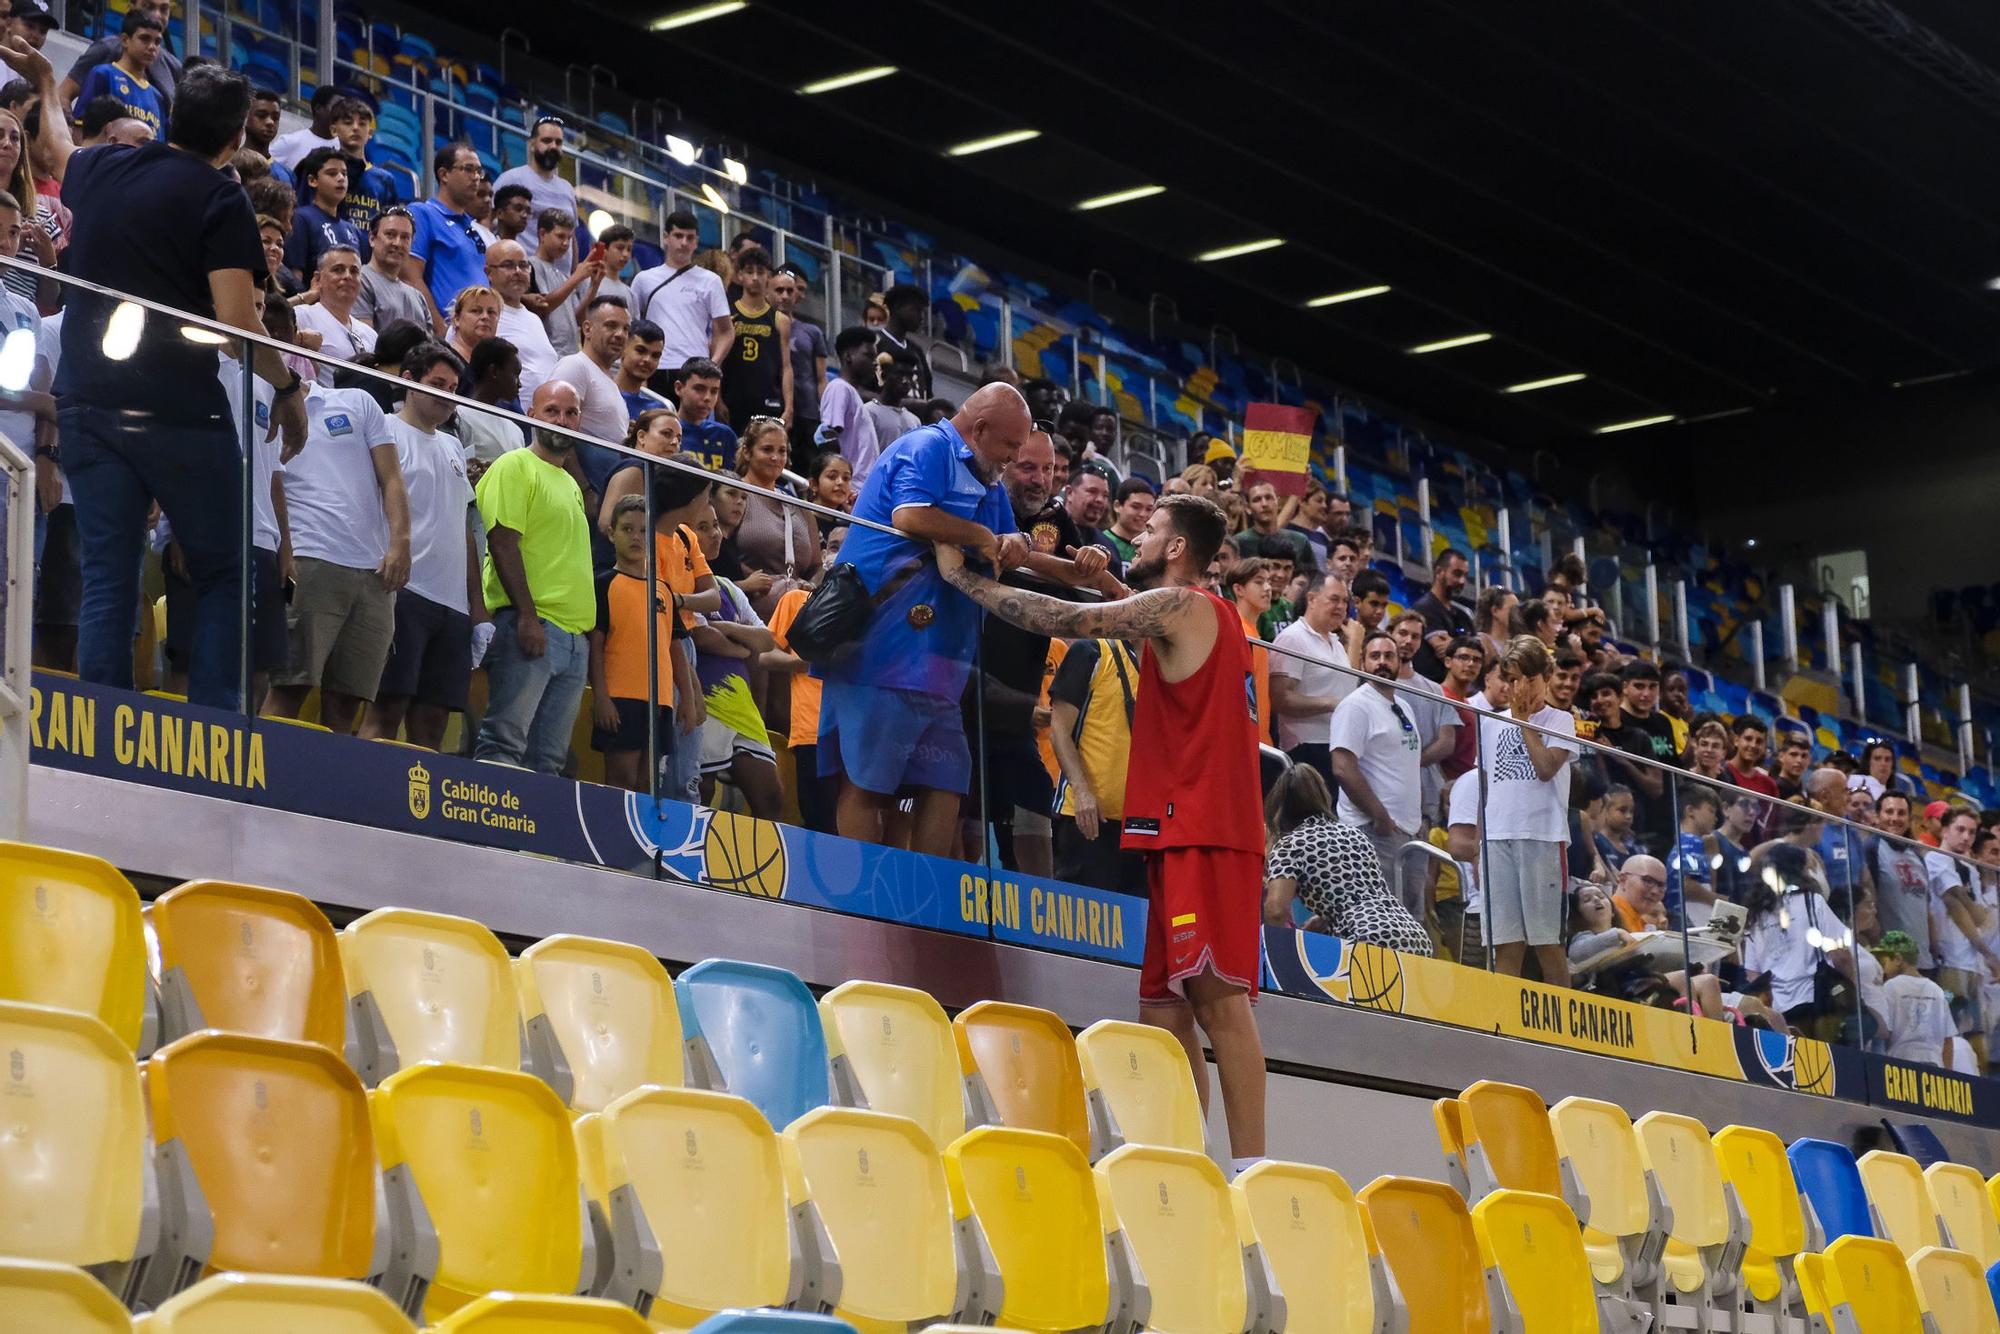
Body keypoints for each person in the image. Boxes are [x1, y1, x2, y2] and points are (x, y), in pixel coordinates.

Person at [932, 490, 1267, 1176]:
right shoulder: (1195, 614)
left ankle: (1253, 1170)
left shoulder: (1186, 606)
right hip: (1179, 831)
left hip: (1204, 828)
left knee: (1217, 999)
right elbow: (1105, 593)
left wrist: (964, 579)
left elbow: (1074, 618)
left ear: (1177, 548)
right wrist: (1066, 564)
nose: (1136, 537)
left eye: (1149, 529)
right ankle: (1185, 1162)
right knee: (1164, 1011)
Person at [59, 63, 306, 708]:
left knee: (108, 572)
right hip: (177, 412)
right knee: (225, 571)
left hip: (86, 396)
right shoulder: (223, 199)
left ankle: (100, 728)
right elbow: (235, 325)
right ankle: (215, 736)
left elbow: (59, 147)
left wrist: (43, 83)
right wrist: (288, 388)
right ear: (233, 143)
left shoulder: (100, 168)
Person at [810, 383, 1035, 854]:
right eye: (1012, 445)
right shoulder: (926, 446)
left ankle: (924, 898)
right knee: (869, 785)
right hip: (878, 648)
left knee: (946, 783)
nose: (1014, 458)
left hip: (938, 663)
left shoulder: (987, 477)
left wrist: (1081, 569)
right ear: (979, 429)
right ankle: (858, 897)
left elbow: (1006, 544)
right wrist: (983, 536)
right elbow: (910, 515)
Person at [263, 373, 411, 733]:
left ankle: (331, 786)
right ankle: (262, 784)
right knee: (290, 688)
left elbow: (391, 477)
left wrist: (401, 542)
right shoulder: (261, 405)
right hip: (310, 558)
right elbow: (269, 482)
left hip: (374, 572)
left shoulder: (356, 401)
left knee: (349, 702)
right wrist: (285, 552)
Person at [351, 343, 479, 749]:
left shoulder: (454, 447)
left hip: (452, 604)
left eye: (454, 388)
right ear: (406, 381)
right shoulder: (385, 430)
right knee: (385, 708)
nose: (446, 395)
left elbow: (462, 526)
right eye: (437, 384)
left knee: (433, 723)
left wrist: (476, 609)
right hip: (404, 590)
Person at [473, 380, 596, 773]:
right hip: (532, 623)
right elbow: (503, 542)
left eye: (571, 413)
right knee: (504, 742)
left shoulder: (570, 484)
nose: (562, 420)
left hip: (573, 638)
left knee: (549, 760)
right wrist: (526, 616)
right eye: (552, 411)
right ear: (531, 415)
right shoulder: (514, 465)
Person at [1476, 635, 1580, 982]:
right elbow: (1487, 788)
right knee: (1506, 941)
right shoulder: (1489, 722)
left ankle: (1562, 1023)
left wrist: (1523, 722)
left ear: (1546, 677)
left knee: (1547, 941)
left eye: (1528, 679)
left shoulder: (1560, 720)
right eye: (1513, 680)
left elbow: (1546, 767)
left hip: (1541, 835)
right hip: (1498, 836)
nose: (1519, 689)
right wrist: (1481, 843)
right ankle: (1502, 1020)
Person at [585, 493, 693, 793]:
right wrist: (602, 697)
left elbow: (674, 645)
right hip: (621, 697)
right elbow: (596, 645)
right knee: (621, 780)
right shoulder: (604, 583)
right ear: (611, 533)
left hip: (659, 701)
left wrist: (687, 696)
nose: (636, 537)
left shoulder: (662, 590)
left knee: (648, 785)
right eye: (627, 529)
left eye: (644, 530)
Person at [1262, 764, 1432, 953]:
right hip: (1412, 934)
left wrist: (1278, 956)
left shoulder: (1290, 845)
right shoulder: (1353, 834)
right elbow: (1359, 894)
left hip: (1365, 937)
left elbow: (1275, 911)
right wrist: (1325, 918)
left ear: (1279, 808)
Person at [688, 489, 782, 816]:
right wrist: (743, 647)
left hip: (740, 706)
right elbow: (701, 638)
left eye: (715, 526)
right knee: (701, 787)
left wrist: (727, 631)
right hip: (702, 696)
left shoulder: (727, 587)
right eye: (704, 527)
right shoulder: (678, 582)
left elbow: (767, 640)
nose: (715, 533)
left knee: (771, 798)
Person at [1328, 631, 1425, 917]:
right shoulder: (1356, 705)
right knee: (1376, 919)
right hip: (1372, 831)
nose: (1382, 662)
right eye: (1375, 656)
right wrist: (1379, 816)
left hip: (1407, 831)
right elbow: (1342, 767)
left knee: (1409, 919)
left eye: (1389, 656)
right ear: (1362, 662)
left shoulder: (1403, 705)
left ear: (1399, 662)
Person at [1047, 631, 1145, 895]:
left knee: (1137, 928)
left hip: (1142, 826)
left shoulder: (1167, 662)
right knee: (1084, 925)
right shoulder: (1092, 652)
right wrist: (1082, 792)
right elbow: (1059, 731)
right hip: (1089, 818)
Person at [1741, 842, 1853, 1033]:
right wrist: (1853, 990)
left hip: (1776, 1011)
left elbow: (1753, 974)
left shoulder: (1755, 916)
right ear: (1799, 869)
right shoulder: (1812, 902)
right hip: (1813, 1001)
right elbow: (1840, 954)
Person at [1269, 572, 1352, 785]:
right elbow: (1280, 698)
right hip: (1307, 748)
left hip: (1336, 744)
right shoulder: (1293, 638)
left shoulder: (1338, 644)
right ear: (1312, 599)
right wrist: (1330, 703)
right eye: (1334, 599)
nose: (1341, 606)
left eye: (1345, 601)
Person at [730, 418, 815, 619]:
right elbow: (719, 548)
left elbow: (817, 565)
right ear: (747, 452)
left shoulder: (799, 505)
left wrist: (810, 583)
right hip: (751, 612)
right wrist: (749, 579)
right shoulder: (733, 495)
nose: (776, 458)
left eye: (782, 451)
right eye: (767, 450)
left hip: (798, 614)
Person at [630, 208, 732, 369]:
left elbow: (727, 331)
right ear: (665, 237)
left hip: (695, 367)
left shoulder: (711, 281)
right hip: (653, 365)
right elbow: (632, 324)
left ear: (696, 242)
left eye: (689, 237)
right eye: (678, 236)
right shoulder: (643, 279)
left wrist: (712, 366)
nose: (684, 242)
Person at [406, 141, 488, 315]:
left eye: (478, 171)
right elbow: (410, 278)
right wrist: (440, 330)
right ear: (444, 174)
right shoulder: (423, 213)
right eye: (468, 169)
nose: (476, 177)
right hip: (447, 333)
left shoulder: (473, 228)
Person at [719, 244, 790, 430]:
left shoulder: (779, 319)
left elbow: (786, 366)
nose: (755, 277)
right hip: (732, 397)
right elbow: (715, 360)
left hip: (767, 400)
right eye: (750, 271)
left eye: (760, 271)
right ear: (740, 275)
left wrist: (789, 406)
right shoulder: (726, 314)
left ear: (769, 276)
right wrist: (717, 400)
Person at [70, 10, 164, 139]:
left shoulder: (157, 97)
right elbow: (80, 129)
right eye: (145, 38)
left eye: (157, 42)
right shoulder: (103, 75)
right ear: (125, 40)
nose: (152, 47)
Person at [525, 208, 603, 357]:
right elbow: (544, 305)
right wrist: (577, 277)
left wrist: (594, 286)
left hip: (570, 352)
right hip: (548, 352)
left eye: (569, 238)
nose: (565, 243)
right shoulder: (531, 265)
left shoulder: (563, 276)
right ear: (542, 234)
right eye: (560, 236)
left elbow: (578, 318)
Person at [1871, 930, 1956, 1067]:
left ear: (1898, 959)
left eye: (1884, 961)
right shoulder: (1936, 990)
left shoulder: (1891, 987)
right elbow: (1948, 1040)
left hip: (1901, 1063)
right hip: (1935, 1064)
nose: (1883, 968)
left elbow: (1885, 1031)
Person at [293, 246, 376, 383]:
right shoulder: (301, 316)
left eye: (354, 271)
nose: (347, 276)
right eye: (338, 270)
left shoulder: (371, 335)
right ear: (318, 279)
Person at [1871, 791, 1935, 969]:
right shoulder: (1872, 849)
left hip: (1923, 960)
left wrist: (1934, 950)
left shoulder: (1916, 853)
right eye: (1889, 812)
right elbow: (1869, 903)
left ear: (1909, 819)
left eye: (1901, 813)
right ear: (1877, 816)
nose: (1895, 818)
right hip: (1892, 960)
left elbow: (1927, 908)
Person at [484, 237, 557, 390]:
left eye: (524, 265)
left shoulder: (534, 319)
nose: (518, 272)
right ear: (489, 272)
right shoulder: (483, 314)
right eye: (508, 265)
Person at [814, 326, 879, 480]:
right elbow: (828, 438)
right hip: (851, 489)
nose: (874, 363)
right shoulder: (839, 388)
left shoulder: (852, 393)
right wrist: (841, 485)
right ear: (848, 356)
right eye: (868, 356)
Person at [773, 262, 826, 453]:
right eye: (781, 289)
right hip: (777, 407)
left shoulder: (812, 331)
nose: (786, 295)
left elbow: (821, 379)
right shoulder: (765, 326)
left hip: (808, 411)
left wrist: (825, 413)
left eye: (791, 290)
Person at [493, 115, 577, 231]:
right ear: (532, 145)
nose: (553, 146)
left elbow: (572, 236)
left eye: (558, 142)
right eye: (547, 141)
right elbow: (488, 219)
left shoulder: (568, 189)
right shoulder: (511, 179)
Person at [356, 207, 435, 332]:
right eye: (390, 235)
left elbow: (430, 346)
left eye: (405, 237)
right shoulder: (359, 281)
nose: (397, 243)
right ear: (372, 238)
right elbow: (365, 343)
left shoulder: (418, 297)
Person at [454, 336, 527, 467]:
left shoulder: (516, 430)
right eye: (515, 374)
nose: (520, 384)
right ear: (494, 371)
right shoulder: (459, 417)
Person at [1226, 559, 1273, 745]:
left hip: (1259, 739)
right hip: (1245, 740)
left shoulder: (1252, 631)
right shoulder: (1239, 630)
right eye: (1259, 582)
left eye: (1268, 582)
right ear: (1239, 589)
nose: (1268, 588)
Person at [1410, 548, 1473, 681]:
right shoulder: (1425, 607)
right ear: (1439, 572)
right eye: (1457, 574)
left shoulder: (1463, 615)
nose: (1462, 581)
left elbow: (1477, 652)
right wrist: (1463, 647)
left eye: (1465, 576)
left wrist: (1456, 645)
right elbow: (1445, 652)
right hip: (1429, 688)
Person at [670, 355, 738, 475]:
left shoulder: (725, 435)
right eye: (699, 389)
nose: (707, 398)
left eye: (714, 391)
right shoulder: (665, 431)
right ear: (679, 388)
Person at [872, 281, 933, 400]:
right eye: (916, 310)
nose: (921, 317)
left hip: (914, 418)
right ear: (896, 307)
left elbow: (927, 393)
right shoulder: (874, 343)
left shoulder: (917, 351)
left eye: (923, 312)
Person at [266, 84, 338, 170]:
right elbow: (261, 169)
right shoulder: (290, 142)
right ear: (318, 108)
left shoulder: (346, 145)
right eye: (336, 108)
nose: (341, 113)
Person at [614, 317, 670, 419]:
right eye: (640, 351)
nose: (647, 360)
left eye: (655, 356)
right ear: (623, 348)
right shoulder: (599, 394)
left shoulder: (659, 410)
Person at [1104, 476, 1154, 564]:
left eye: (1149, 509)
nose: (1143, 514)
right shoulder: (1102, 541)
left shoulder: (1151, 547)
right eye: (1136, 507)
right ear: (1117, 506)